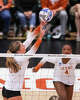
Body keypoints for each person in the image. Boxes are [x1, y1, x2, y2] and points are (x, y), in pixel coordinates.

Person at [2, 21, 46, 100]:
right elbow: (34, 49)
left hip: (6, 88)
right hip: (13, 92)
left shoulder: (15, 54)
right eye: (22, 45)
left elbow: (31, 38)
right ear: (18, 50)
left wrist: (41, 25)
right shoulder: (21, 58)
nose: (24, 45)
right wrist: (41, 36)